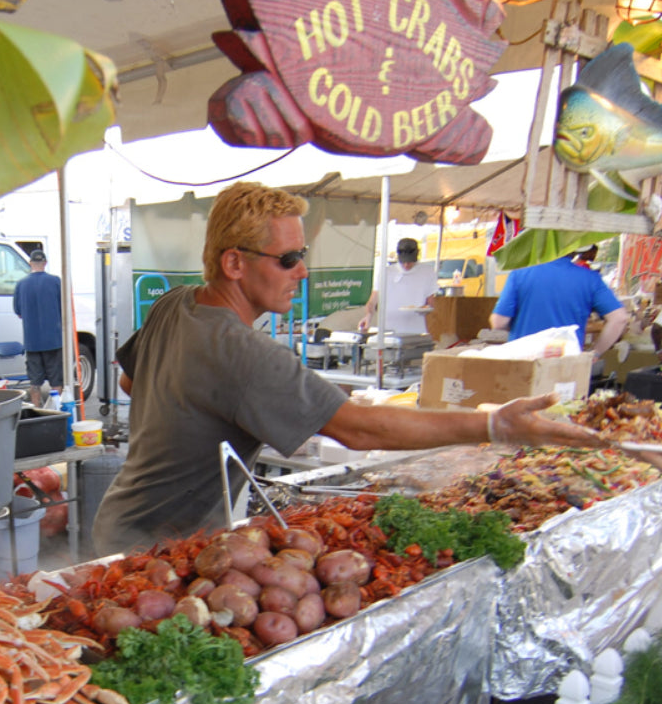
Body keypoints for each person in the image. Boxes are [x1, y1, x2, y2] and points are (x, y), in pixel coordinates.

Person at [92, 181, 607, 557]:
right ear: (234, 263)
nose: (302, 271)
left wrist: (201, 415)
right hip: (156, 547)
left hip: (120, 521)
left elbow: (131, 381)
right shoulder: (243, 353)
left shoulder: (178, 303)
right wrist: (493, 424)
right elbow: (359, 431)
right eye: (288, 258)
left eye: (303, 253)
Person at [488, 253, 629, 368]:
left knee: (520, 402)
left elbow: (498, 322)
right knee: (564, 402)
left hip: (522, 365)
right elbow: (619, 318)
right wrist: (595, 353)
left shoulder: (519, 274)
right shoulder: (590, 278)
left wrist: (518, 325)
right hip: (567, 365)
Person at [13, 249, 63, 407]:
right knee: (56, 380)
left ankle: (37, 410)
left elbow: (18, 312)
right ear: (45, 263)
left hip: (32, 342)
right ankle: (55, 410)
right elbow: (64, 308)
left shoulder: (21, 284)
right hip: (53, 341)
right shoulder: (55, 282)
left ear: (30, 264)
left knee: (35, 381)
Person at [358, 237, 438, 334]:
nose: (406, 265)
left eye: (410, 261)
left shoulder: (427, 272)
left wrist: (425, 309)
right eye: (403, 261)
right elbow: (372, 301)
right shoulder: (386, 272)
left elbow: (430, 303)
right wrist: (368, 315)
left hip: (416, 330)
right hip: (388, 329)